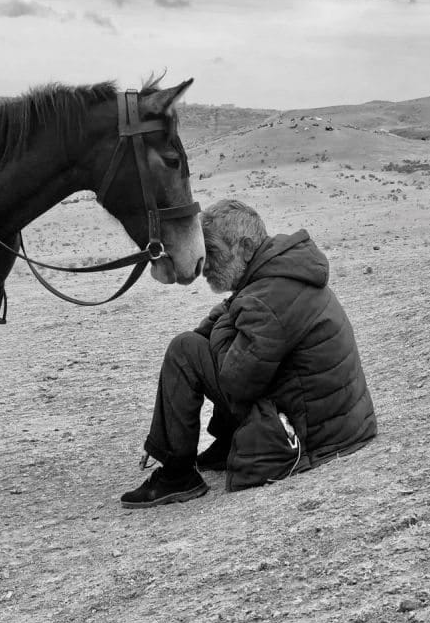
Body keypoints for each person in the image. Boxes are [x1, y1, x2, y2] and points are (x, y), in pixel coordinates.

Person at [120, 199, 377, 508]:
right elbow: (226, 321)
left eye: (212, 252)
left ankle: (177, 475)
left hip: (315, 435)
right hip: (337, 423)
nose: (205, 268)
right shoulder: (277, 275)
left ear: (243, 247)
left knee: (184, 351)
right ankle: (224, 443)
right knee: (197, 346)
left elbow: (235, 382)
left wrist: (222, 328)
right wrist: (222, 325)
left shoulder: (267, 297)